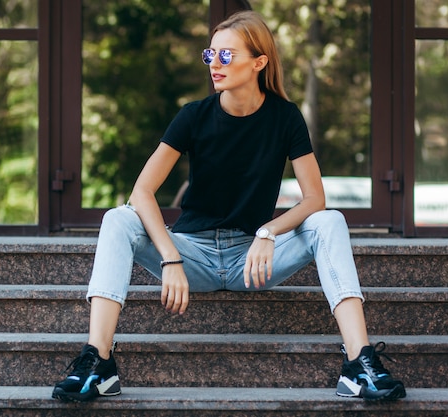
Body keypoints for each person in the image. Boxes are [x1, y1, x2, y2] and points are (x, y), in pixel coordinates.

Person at [52, 10, 406, 403]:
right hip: (192, 256)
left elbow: (314, 199)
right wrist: (170, 257)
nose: (214, 65)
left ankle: (359, 364)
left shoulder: (285, 118)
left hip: (252, 261)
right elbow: (142, 193)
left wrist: (269, 231)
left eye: (226, 55)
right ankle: (99, 363)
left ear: (259, 62)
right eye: (210, 55)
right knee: (118, 218)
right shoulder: (193, 116)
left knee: (331, 222)